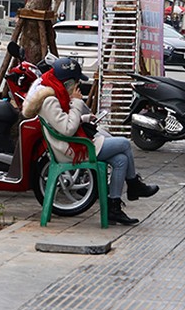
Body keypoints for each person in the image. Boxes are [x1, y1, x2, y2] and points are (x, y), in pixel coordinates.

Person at [23, 57, 159, 226]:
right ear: (68, 82)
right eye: (77, 81)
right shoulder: (50, 100)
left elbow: (64, 121)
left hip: (73, 143)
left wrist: (84, 118)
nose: (78, 85)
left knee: (121, 160)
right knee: (124, 144)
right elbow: (67, 129)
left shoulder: (56, 93)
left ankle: (114, 209)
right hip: (69, 149)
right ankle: (134, 185)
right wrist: (77, 102)